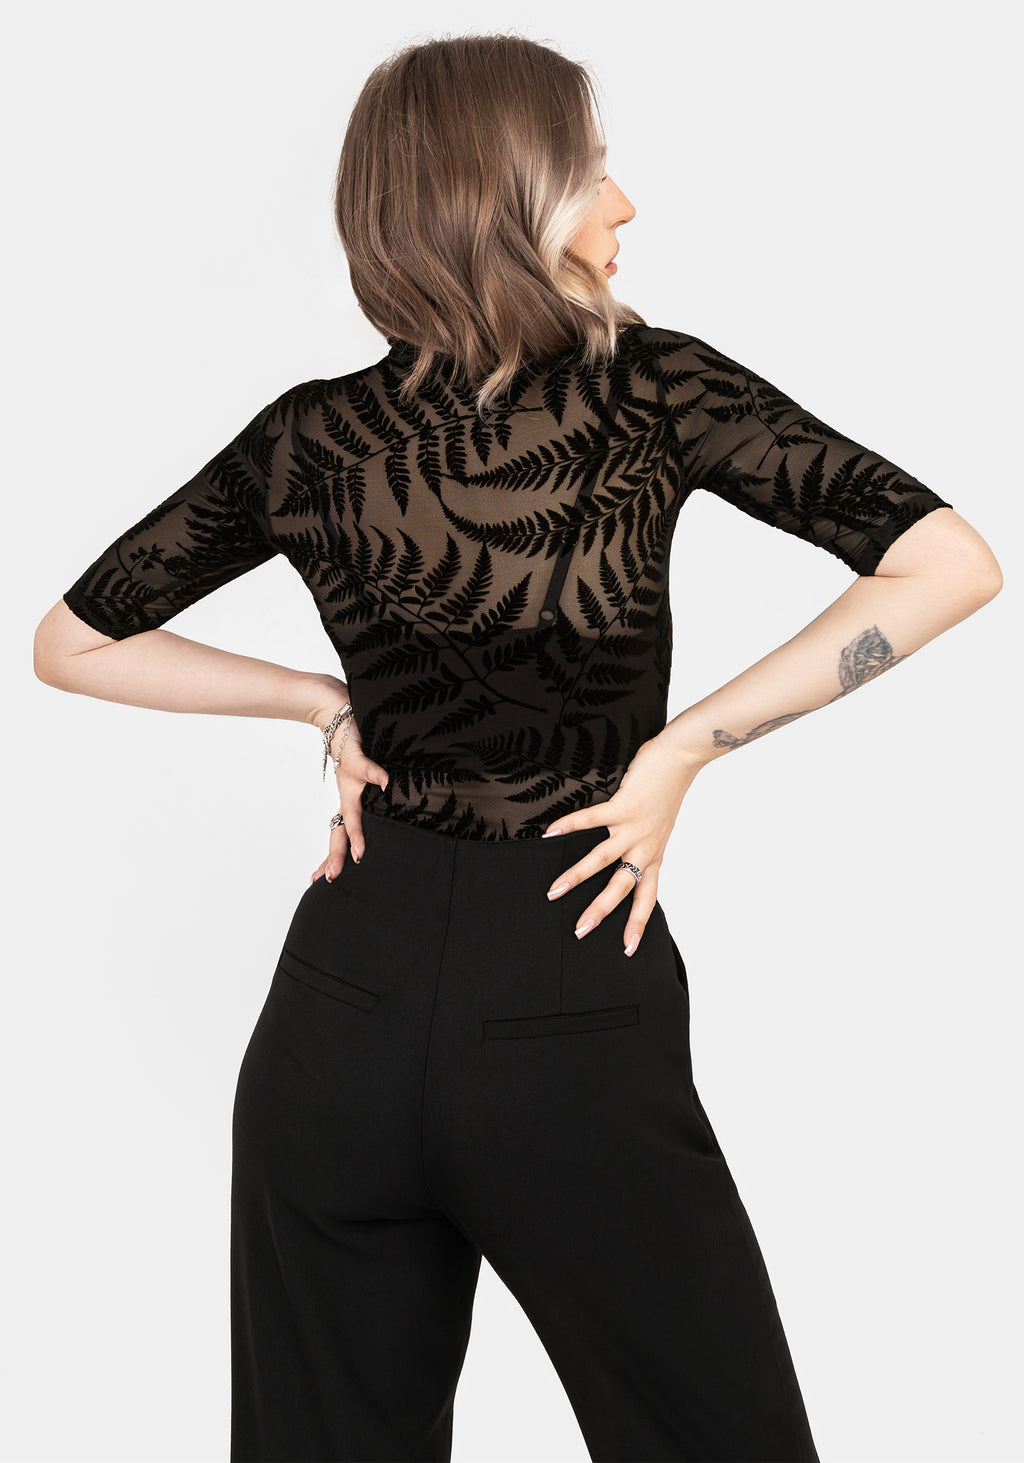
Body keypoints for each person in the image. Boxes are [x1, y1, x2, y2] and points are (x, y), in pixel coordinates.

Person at [34, 31, 1001, 1463]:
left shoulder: (312, 438)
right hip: (567, 983)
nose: (625, 205)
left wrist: (323, 704)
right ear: (507, 200)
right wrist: (681, 752)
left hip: (339, 1006)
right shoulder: (656, 391)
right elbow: (949, 565)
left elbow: (71, 642)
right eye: (591, 172)